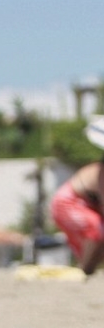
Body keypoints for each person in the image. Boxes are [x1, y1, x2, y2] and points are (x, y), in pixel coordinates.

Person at [51, 115, 104, 275]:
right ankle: (84, 271)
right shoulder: (102, 171)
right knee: (96, 228)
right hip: (67, 203)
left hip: (84, 205)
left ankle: (87, 268)